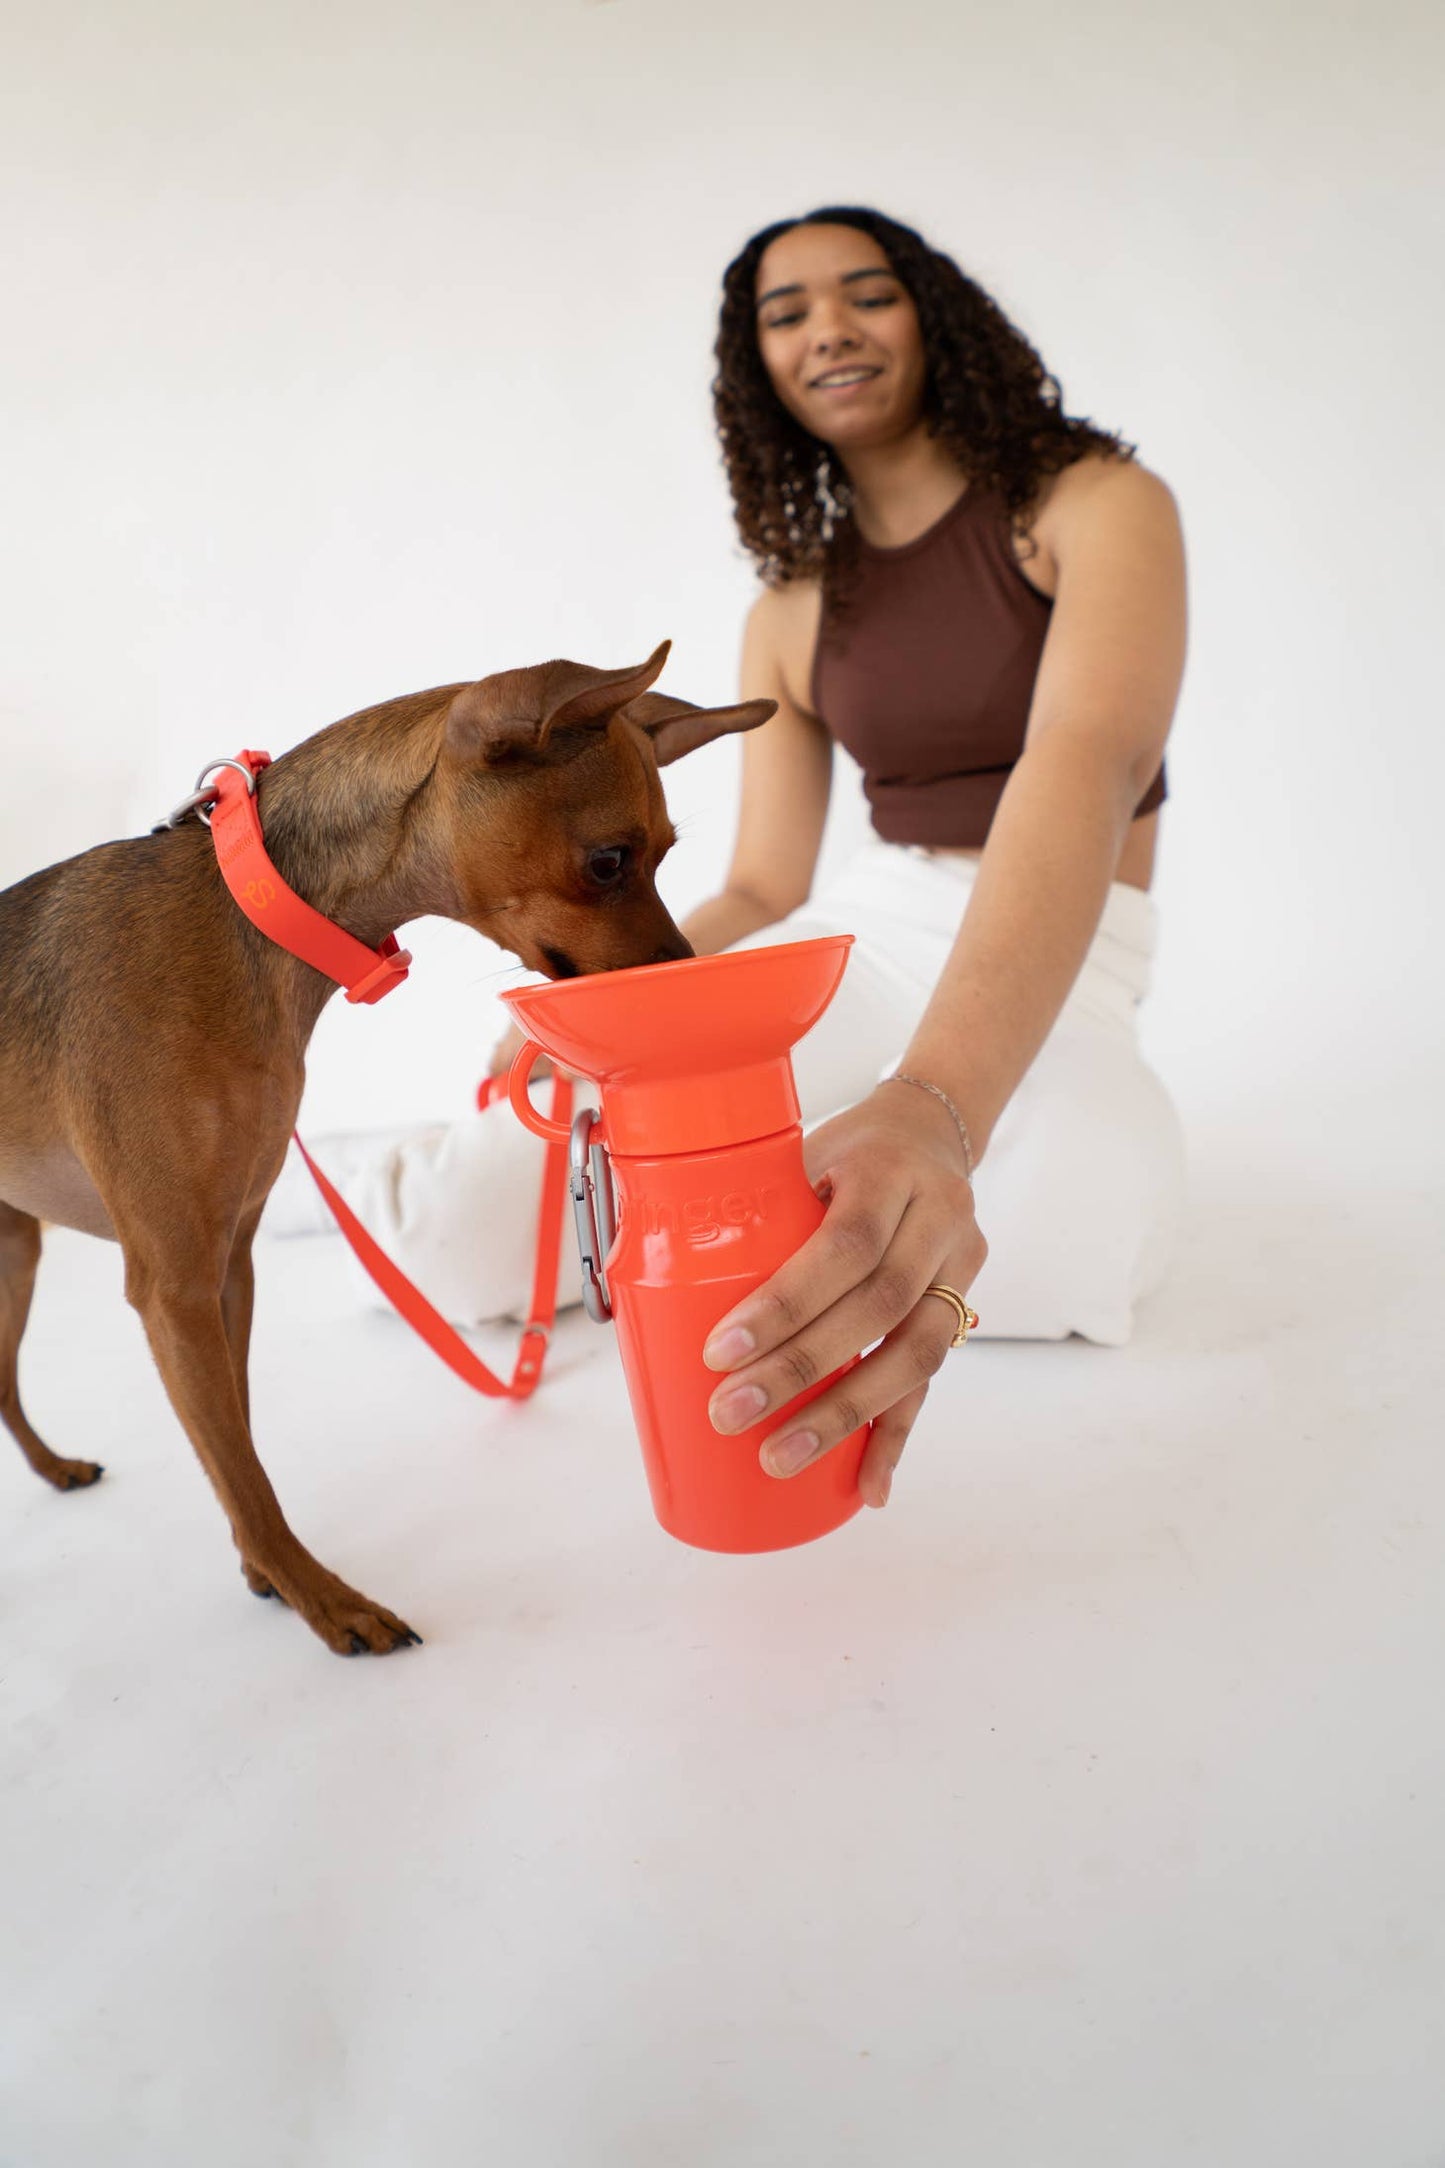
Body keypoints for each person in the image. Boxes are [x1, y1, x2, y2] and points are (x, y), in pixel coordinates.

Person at [267, 204, 1187, 1512]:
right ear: (756, 368)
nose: (829, 330)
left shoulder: (1094, 506)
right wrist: (619, 1015)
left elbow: (1083, 766)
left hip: (1073, 936)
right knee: (472, 1234)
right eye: (786, 313)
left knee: (1098, 1230)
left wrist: (932, 1104)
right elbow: (763, 885)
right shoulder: (792, 608)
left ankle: (825, 1181)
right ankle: (371, 1172)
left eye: (867, 293)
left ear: (935, 315)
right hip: (874, 932)